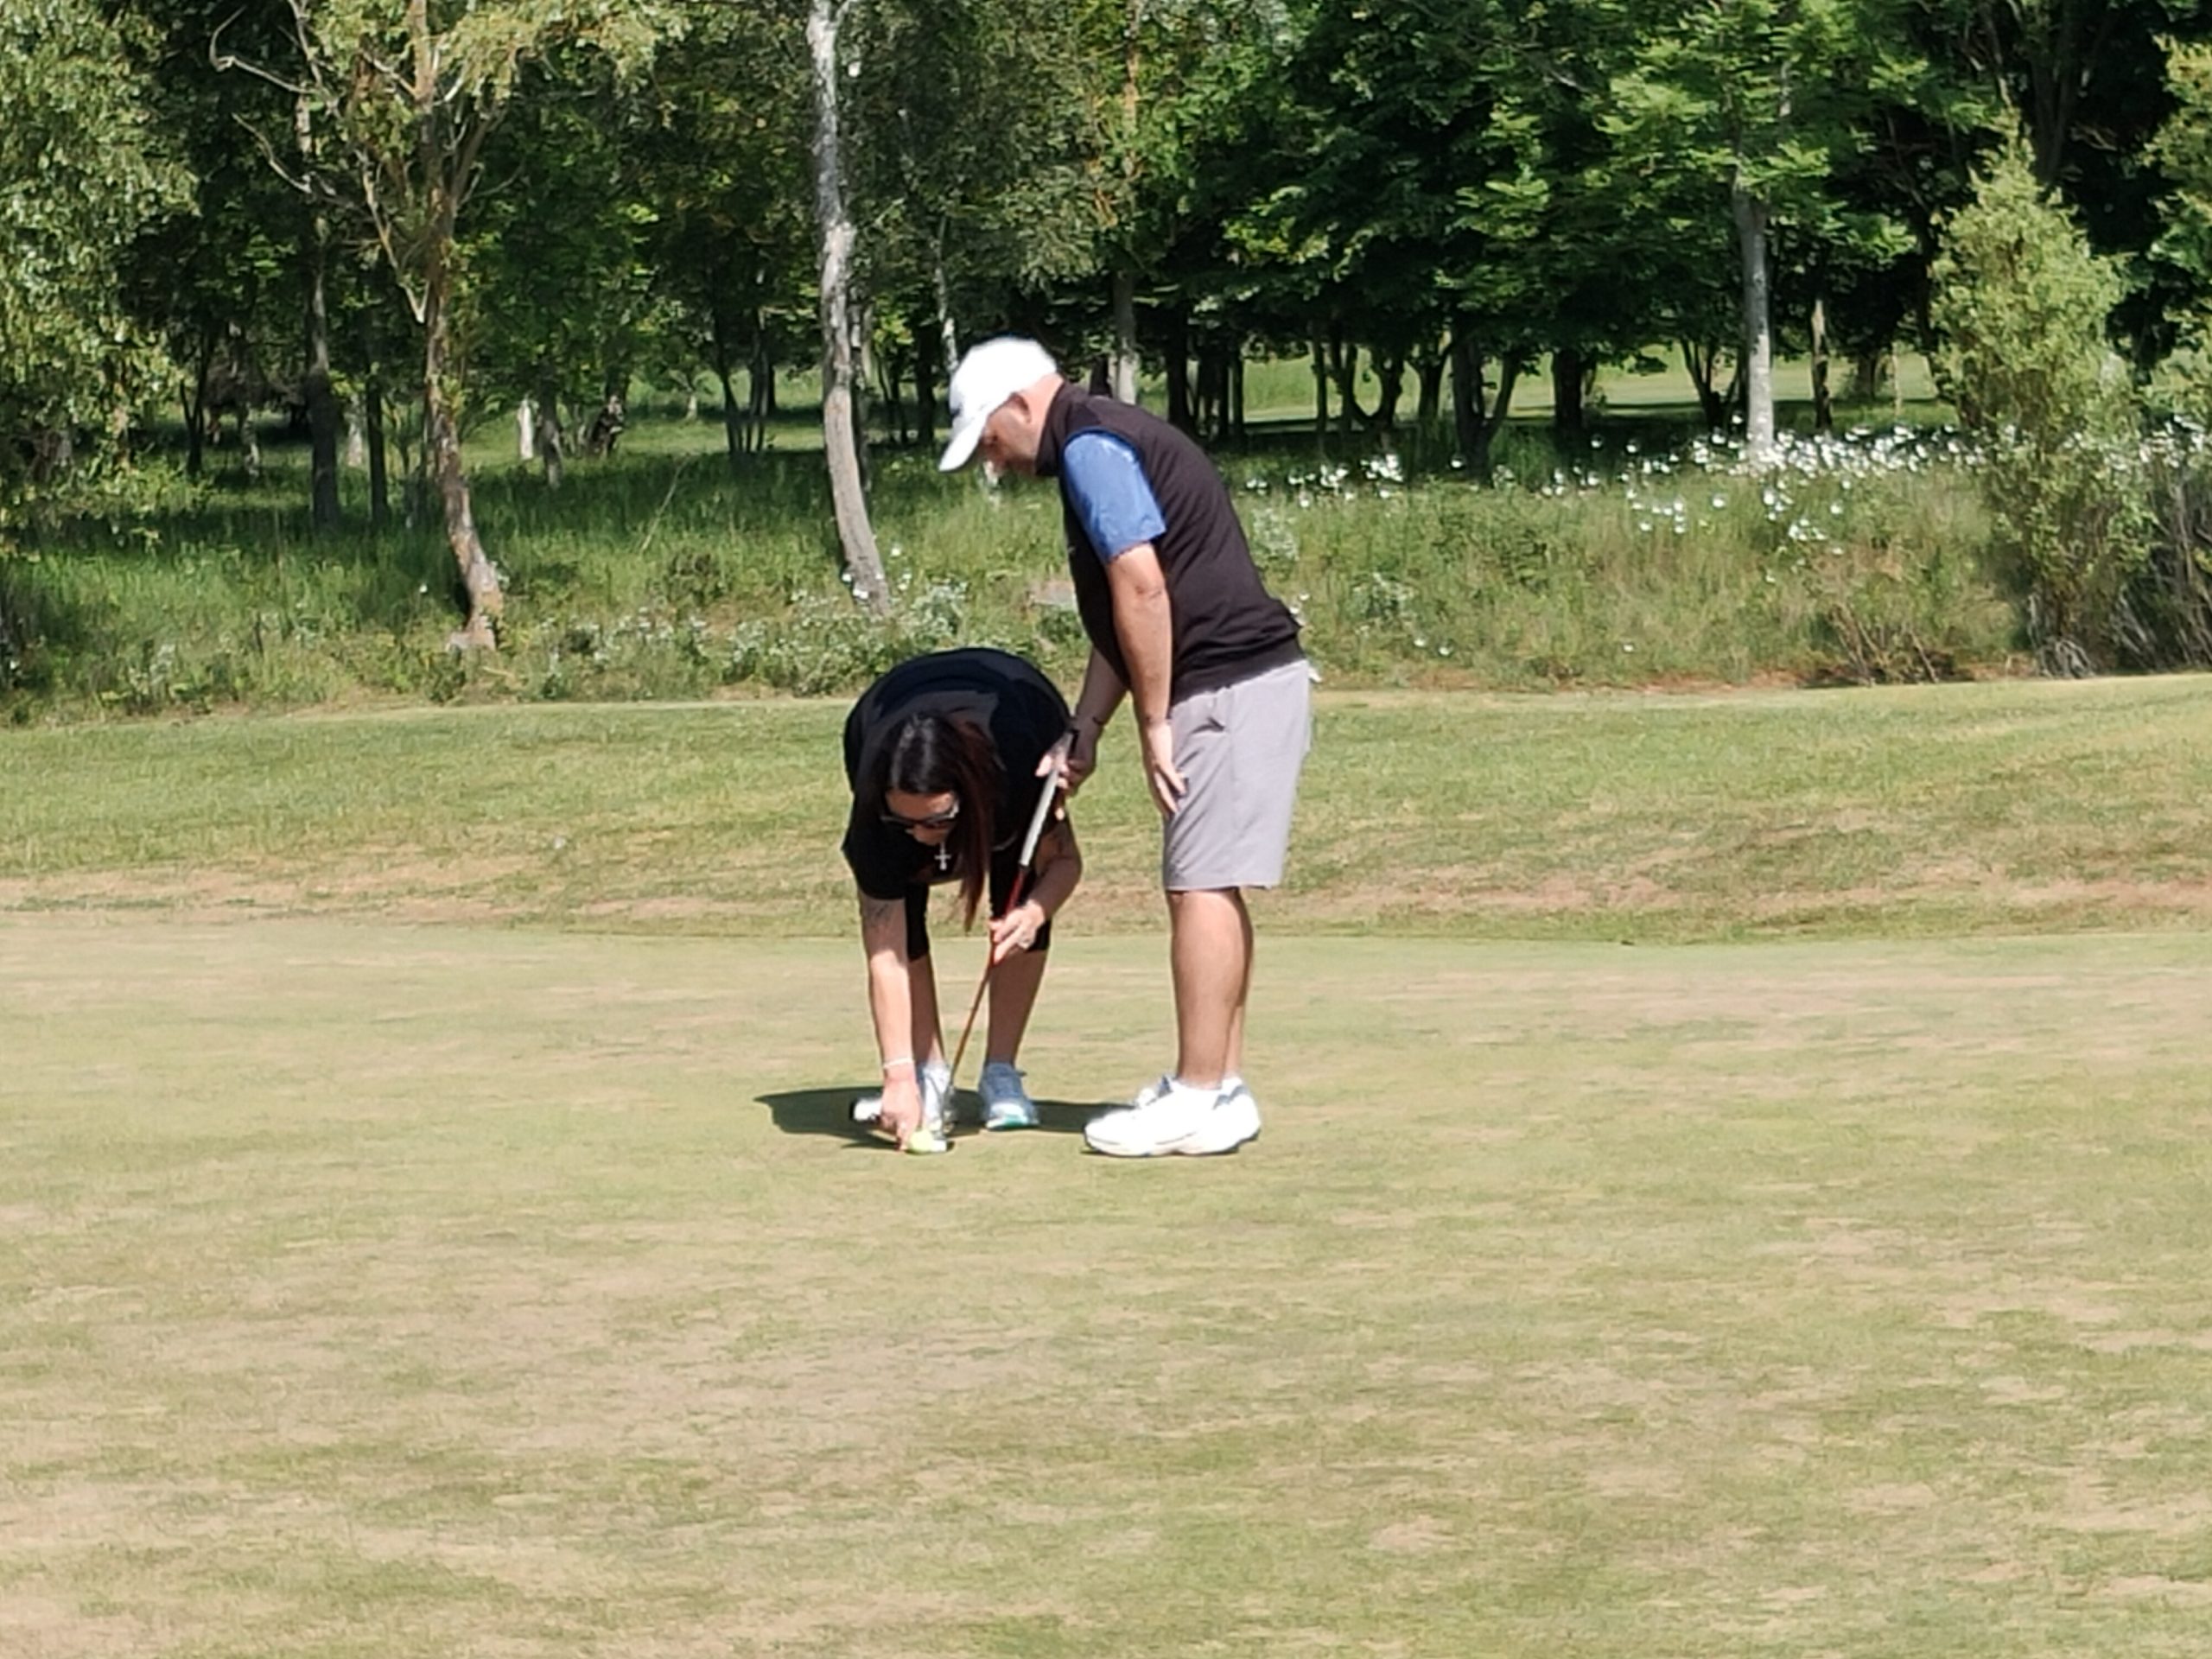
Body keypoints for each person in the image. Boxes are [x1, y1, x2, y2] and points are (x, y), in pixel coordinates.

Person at [938, 336, 1311, 1158]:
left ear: (1021, 403)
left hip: (1226, 686)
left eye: (990, 440)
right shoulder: (1097, 436)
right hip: (1238, 682)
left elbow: (1143, 585)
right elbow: (1124, 614)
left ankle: (1197, 1093)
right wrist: (1088, 727)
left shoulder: (1091, 448)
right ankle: (1223, 1090)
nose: (992, 463)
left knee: (1201, 886)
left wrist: (1153, 723)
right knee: (1208, 883)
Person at [841, 646, 1081, 1150]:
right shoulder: (877, 816)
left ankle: (1001, 1073)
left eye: (937, 821)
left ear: (965, 795)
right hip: (884, 703)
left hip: (1019, 699)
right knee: (904, 914)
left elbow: (1065, 863)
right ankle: (930, 1076)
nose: (921, 835)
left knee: (1015, 903)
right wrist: (898, 1077)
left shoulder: (1017, 776)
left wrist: (1035, 913)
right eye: (905, 821)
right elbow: (886, 955)